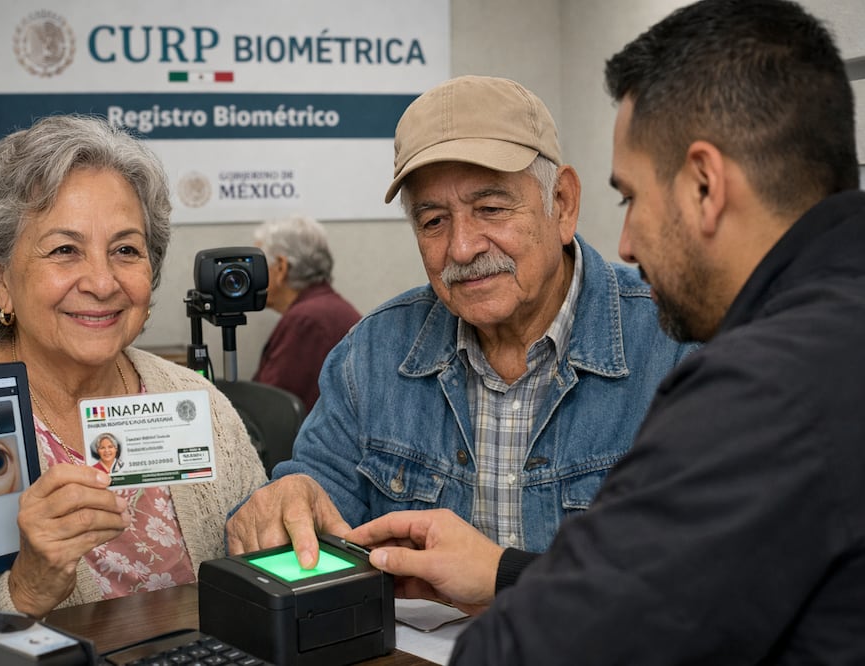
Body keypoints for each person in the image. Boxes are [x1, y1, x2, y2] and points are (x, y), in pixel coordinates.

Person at [345, 0, 865, 662]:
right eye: (433, 221)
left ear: (705, 186)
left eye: (631, 198)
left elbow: (546, 645)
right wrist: (505, 574)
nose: (624, 242)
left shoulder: (764, 387)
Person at [227, 75, 694, 569]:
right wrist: (288, 501)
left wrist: (501, 578)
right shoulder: (370, 355)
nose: (463, 248)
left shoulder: (677, 342)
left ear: (562, 203)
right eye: (433, 221)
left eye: (491, 209)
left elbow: (713, 568)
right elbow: (317, 504)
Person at [0, 114, 266, 620]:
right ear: (0, 277)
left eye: (125, 250)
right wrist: (22, 592)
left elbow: (258, 574)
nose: (102, 281)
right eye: (65, 250)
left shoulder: (199, 402)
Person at [251, 214, 361, 412]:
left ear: (281, 267)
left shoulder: (306, 322)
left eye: (257, 266)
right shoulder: (327, 309)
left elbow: (270, 410)